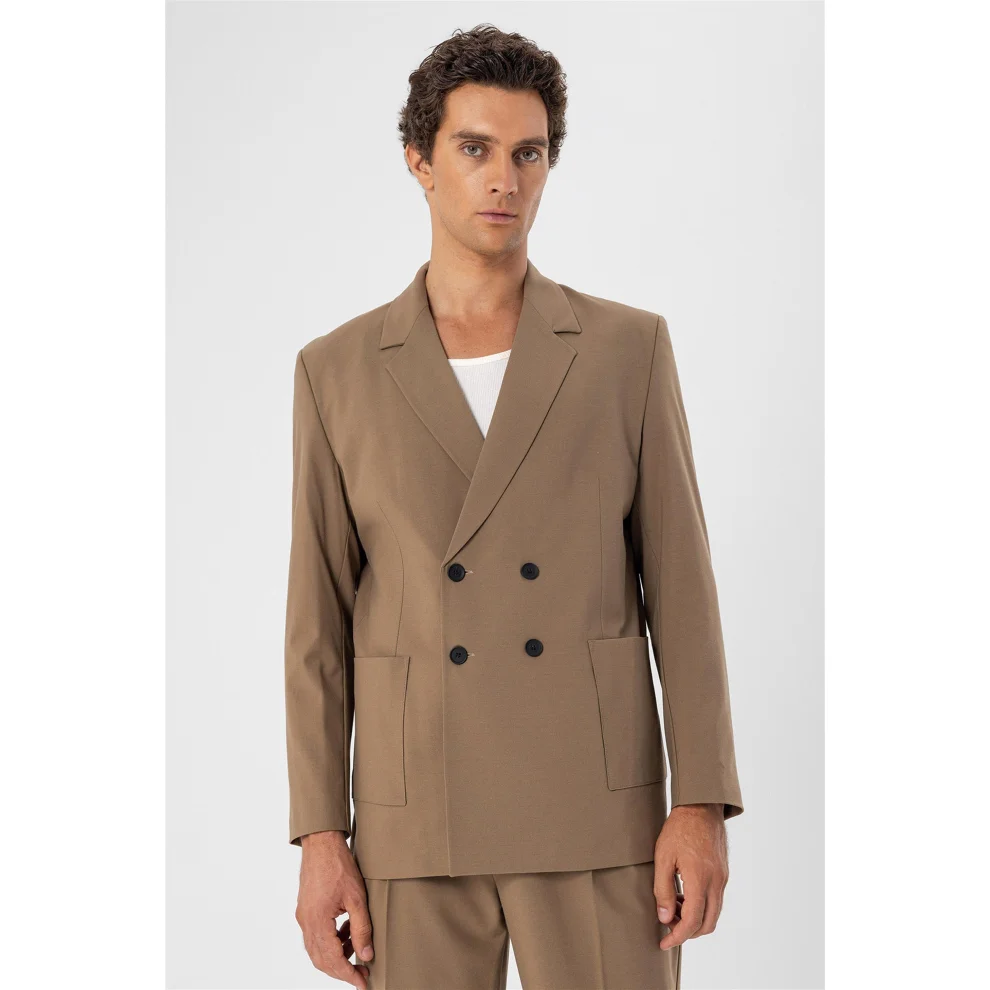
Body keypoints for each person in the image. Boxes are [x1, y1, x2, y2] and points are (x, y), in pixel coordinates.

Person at [285, 23, 744, 990]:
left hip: (597, 805)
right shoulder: (337, 371)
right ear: (419, 161)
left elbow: (683, 593)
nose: (504, 179)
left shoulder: (626, 351)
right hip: (416, 812)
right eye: (475, 149)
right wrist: (321, 834)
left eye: (528, 153)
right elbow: (315, 625)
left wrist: (700, 800)